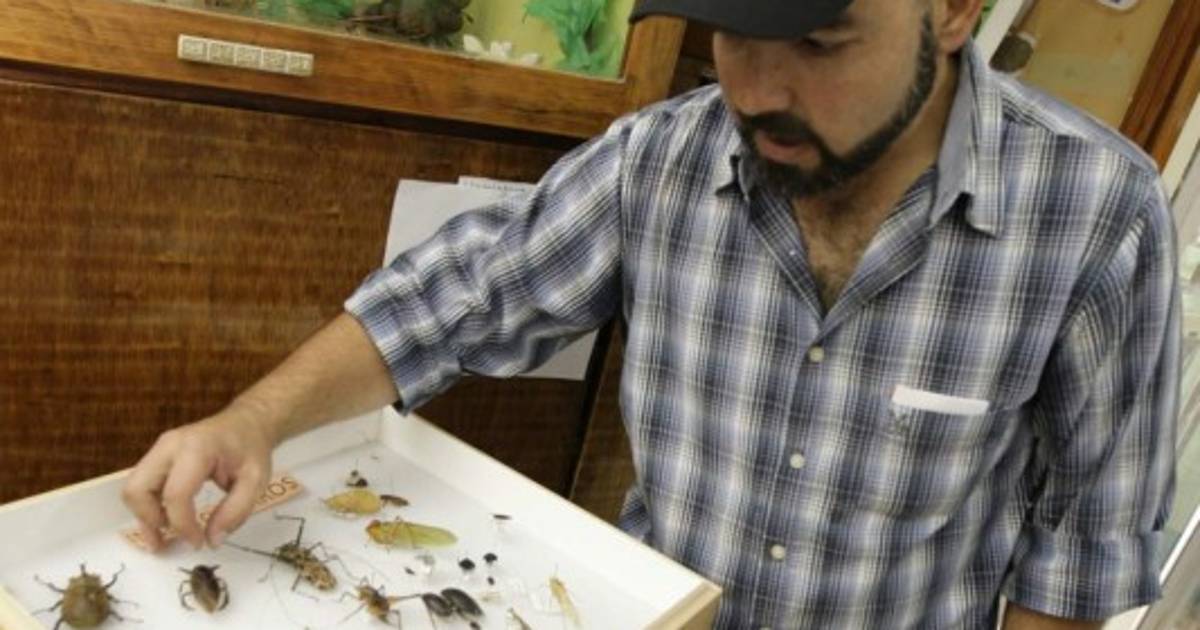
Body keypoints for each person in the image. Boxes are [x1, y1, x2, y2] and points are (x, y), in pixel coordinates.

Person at [122, 0, 1180, 627]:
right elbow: (454, 299)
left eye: (820, 42)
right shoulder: (659, 159)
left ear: (953, 12)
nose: (756, 91)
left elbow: (1082, 550)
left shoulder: (1094, 211)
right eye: (730, 33)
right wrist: (252, 421)